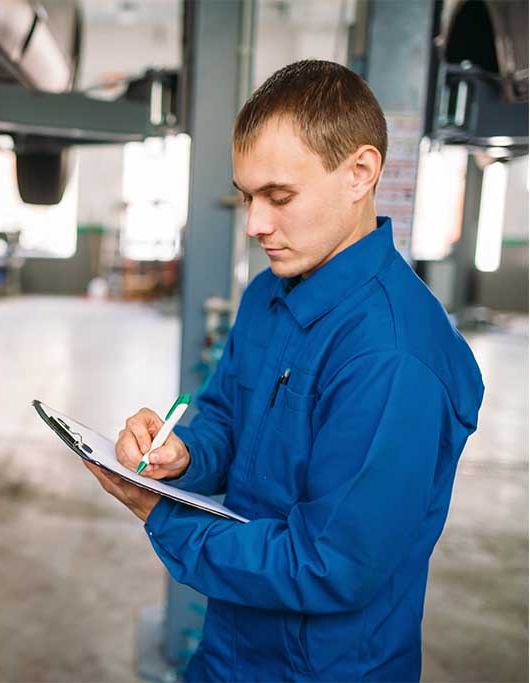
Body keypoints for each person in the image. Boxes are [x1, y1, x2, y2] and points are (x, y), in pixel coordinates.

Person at [83, 60, 484, 682]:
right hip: (231, 646)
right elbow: (223, 415)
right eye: (247, 196)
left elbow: (330, 563)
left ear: (361, 172)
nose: (255, 225)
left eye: (279, 196)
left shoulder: (393, 356)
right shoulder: (270, 296)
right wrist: (181, 454)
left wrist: (162, 515)